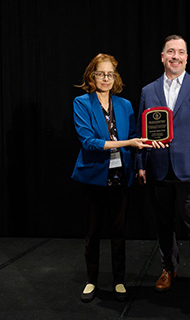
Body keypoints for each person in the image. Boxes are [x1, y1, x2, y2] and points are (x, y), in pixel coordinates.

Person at [135, 35, 190, 301]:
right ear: (162, 56)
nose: (176, 56)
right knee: (163, 224)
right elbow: (140, 130)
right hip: (158, 167)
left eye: (181, 52)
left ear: (186, 57)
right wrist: (141, 164)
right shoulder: (148, 91)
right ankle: (168, 269)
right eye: (170, 51)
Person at [71, 53, 152, 303]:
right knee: (93, 232)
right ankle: (91, 280)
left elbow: (138, 138)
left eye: (110, 74)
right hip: (94, 177)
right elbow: (89, 142)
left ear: (115, 77)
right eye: (100, 73)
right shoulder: (82, 102)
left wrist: (141, 162)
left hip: (121, 175)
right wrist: (127, 142)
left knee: (119, 231)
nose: (106, 78)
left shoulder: (126, 105)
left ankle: (119, 280)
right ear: (91, 77)